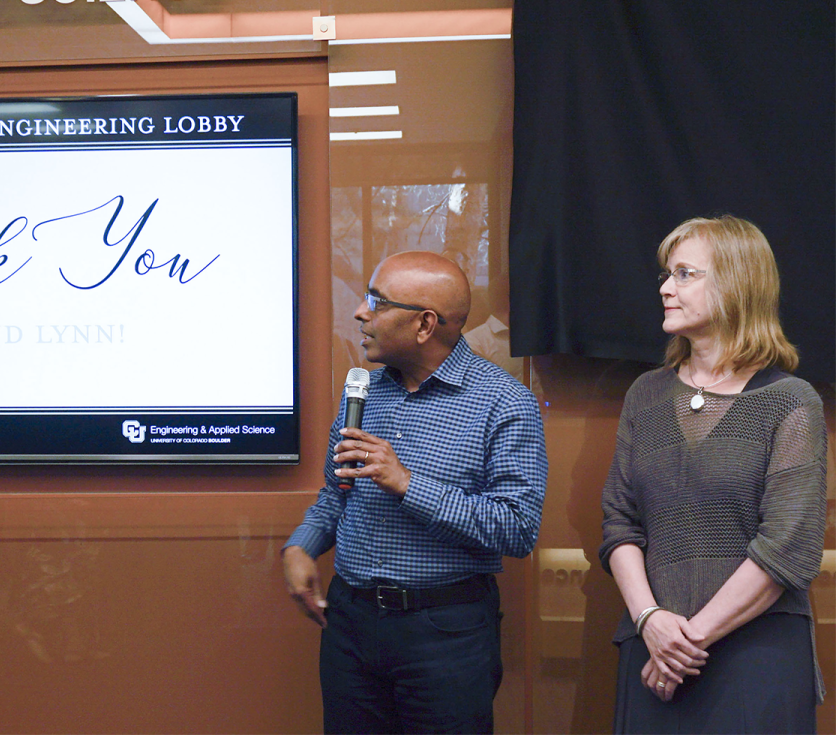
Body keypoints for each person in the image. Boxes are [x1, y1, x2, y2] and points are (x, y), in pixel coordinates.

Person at [282, 251, 548, 734]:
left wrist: (406, 483)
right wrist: (304, 543)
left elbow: (518, 528)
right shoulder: (362, 393)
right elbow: (336, 493)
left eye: (377, 303)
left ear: (425, 324)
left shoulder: (504, 403)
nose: (361, 313)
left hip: (446, 634)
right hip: (351, 625)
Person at [600, 215, 825, 733]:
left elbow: (788, 547)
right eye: (666, 274)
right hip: (652, 648)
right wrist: (650, 621)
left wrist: (687, 641)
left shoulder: (790, 401)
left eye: (684, 274)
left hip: (754, 654)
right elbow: (620, 523)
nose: (665, 288)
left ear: (736, 285)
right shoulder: (645, 396)